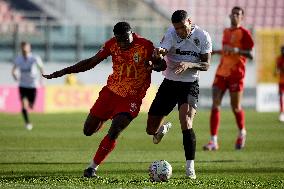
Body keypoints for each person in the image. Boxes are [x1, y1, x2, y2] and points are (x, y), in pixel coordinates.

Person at [42, 22, 165, 178]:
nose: (123, 44)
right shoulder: (112, 45)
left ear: (132, 34)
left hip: (132, 97)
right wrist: (65, 71)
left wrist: (157, 63)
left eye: (126, 39)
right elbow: (91, 62)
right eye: (119, 40)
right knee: (88, 131)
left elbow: (162, 65)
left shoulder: (145, 45)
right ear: (115, 38)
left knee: (115, 129)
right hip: (110, 93)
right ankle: (107, 120)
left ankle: (92, 168)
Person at [146, 10, 212, 179]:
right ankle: (161, 129)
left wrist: (189, 65)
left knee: (186, 120)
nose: (180, 31)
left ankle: (190, 168)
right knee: (150, 129)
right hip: (169, 83)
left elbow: (206, 65)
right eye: (177, 29)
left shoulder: (203, 36)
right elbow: (164, 49)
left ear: (189, 21)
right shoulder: (171, 33)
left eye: (182, 27)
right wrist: (160, 52)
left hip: (189, 85)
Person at [203, 6, 254, 151]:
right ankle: (213, 141)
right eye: (233, 13)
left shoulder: (244, 33)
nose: (235, 16)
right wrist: (216, 52)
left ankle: (242, 132)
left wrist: (237, 50)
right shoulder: (226, 31)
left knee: (235, 107)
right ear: (230, 15)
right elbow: (227, 50)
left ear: (242, 17)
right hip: (221, 72)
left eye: (238, 14)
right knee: (215, 104)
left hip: (236, 74)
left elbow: (251, 55)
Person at [11, 41, 44, 130]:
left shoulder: (35, 58)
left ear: (29, 48)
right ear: (21, 48)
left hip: (33, 85)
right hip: (22, 85)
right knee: (23, 105)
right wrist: (14, 75)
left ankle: (31, 105)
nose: (24, 49)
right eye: (23, 47)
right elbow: (13, 69)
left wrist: (42, 79)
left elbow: (41, 68)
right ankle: (27, 123)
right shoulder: (18, 59)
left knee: (31, 106)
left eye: (26, 47)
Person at [275, 46, 284, 122]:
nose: (282, 51)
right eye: (281, 50)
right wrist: (277, 71)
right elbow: (276, 70)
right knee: (281, 96)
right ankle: (281, 113)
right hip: (281, 81)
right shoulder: (278, 59)